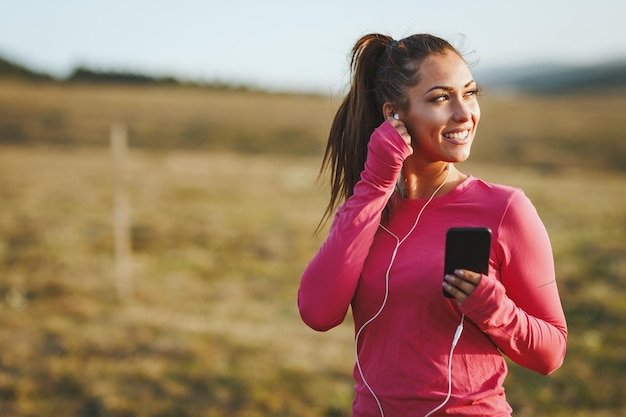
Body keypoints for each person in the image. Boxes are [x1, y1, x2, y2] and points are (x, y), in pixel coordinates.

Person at [297, 33, 567, 417]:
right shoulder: (366, 211)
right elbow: (317, 312)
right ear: (395, 115)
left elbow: (551, 353)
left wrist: (494, 308)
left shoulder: (506, 209)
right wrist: (374, 185)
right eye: (441, 98)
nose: (464, 113)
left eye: (470, 93)